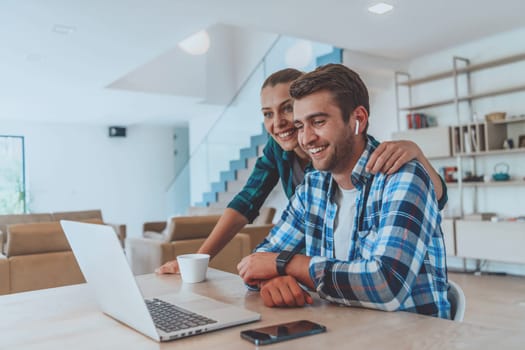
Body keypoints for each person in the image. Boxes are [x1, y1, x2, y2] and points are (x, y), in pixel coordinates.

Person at [157, 68, 447, 274]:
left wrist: (418, 156)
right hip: (327, 281)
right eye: (268, 114)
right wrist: (201, 259)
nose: (279, 123)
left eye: (288, 110)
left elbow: (428, 199)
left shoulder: (375, 162)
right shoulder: (293, 166)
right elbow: (246, 205)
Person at [237, 64, 450, 319]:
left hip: (412, 337)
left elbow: (386, 286)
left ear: (358, 120)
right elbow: (258, 260)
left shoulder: (403, 176)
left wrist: (286, 265)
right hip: (340, 330)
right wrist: (270, 281)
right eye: (300, 126)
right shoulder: (313, 187)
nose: (306, 139)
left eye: (317, 122)